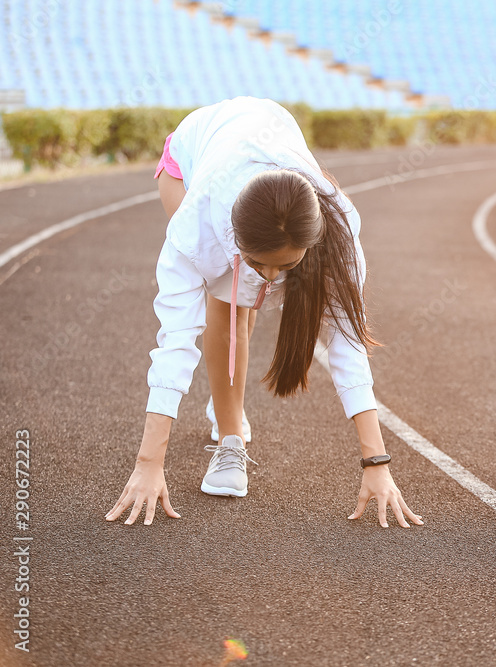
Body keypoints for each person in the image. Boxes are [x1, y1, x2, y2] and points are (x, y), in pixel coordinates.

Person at [104, 96, 423, 529]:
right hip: (190, 161)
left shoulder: (339, 234)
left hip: (259, 146)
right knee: (229, 305)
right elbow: (176, 340)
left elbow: (347, 345)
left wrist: (377, 463)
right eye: (258, 263)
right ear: (235, 236)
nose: (272, 278)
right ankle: (230, 437)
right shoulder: (197, 225)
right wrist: (148, 462)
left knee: (246, 296)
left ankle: (225, 404)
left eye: (286, 266)